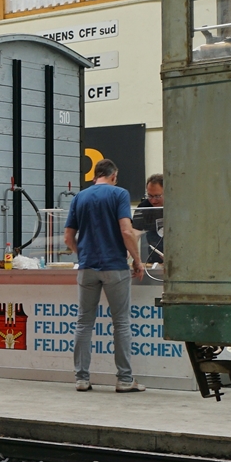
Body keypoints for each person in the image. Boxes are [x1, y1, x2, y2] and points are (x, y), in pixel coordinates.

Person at [64, 158, 146, 393]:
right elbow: (126, 231)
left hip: (87, 268)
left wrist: (83, 255)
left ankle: (81, 378)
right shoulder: (119, 194)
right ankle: (125, 379)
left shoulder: (80, 197)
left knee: (84, 323)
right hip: (114, 267)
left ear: (94, 176)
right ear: (114, 175)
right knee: (120, 323)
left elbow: (68, 238)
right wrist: (137, 261)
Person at [131, 174, 165, 265]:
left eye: (157, 196)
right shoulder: (144, 207)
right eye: (150, 196)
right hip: (153, 259)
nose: (153, 201)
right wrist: (130, 254)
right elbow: (134, 233)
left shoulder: (178, 206)